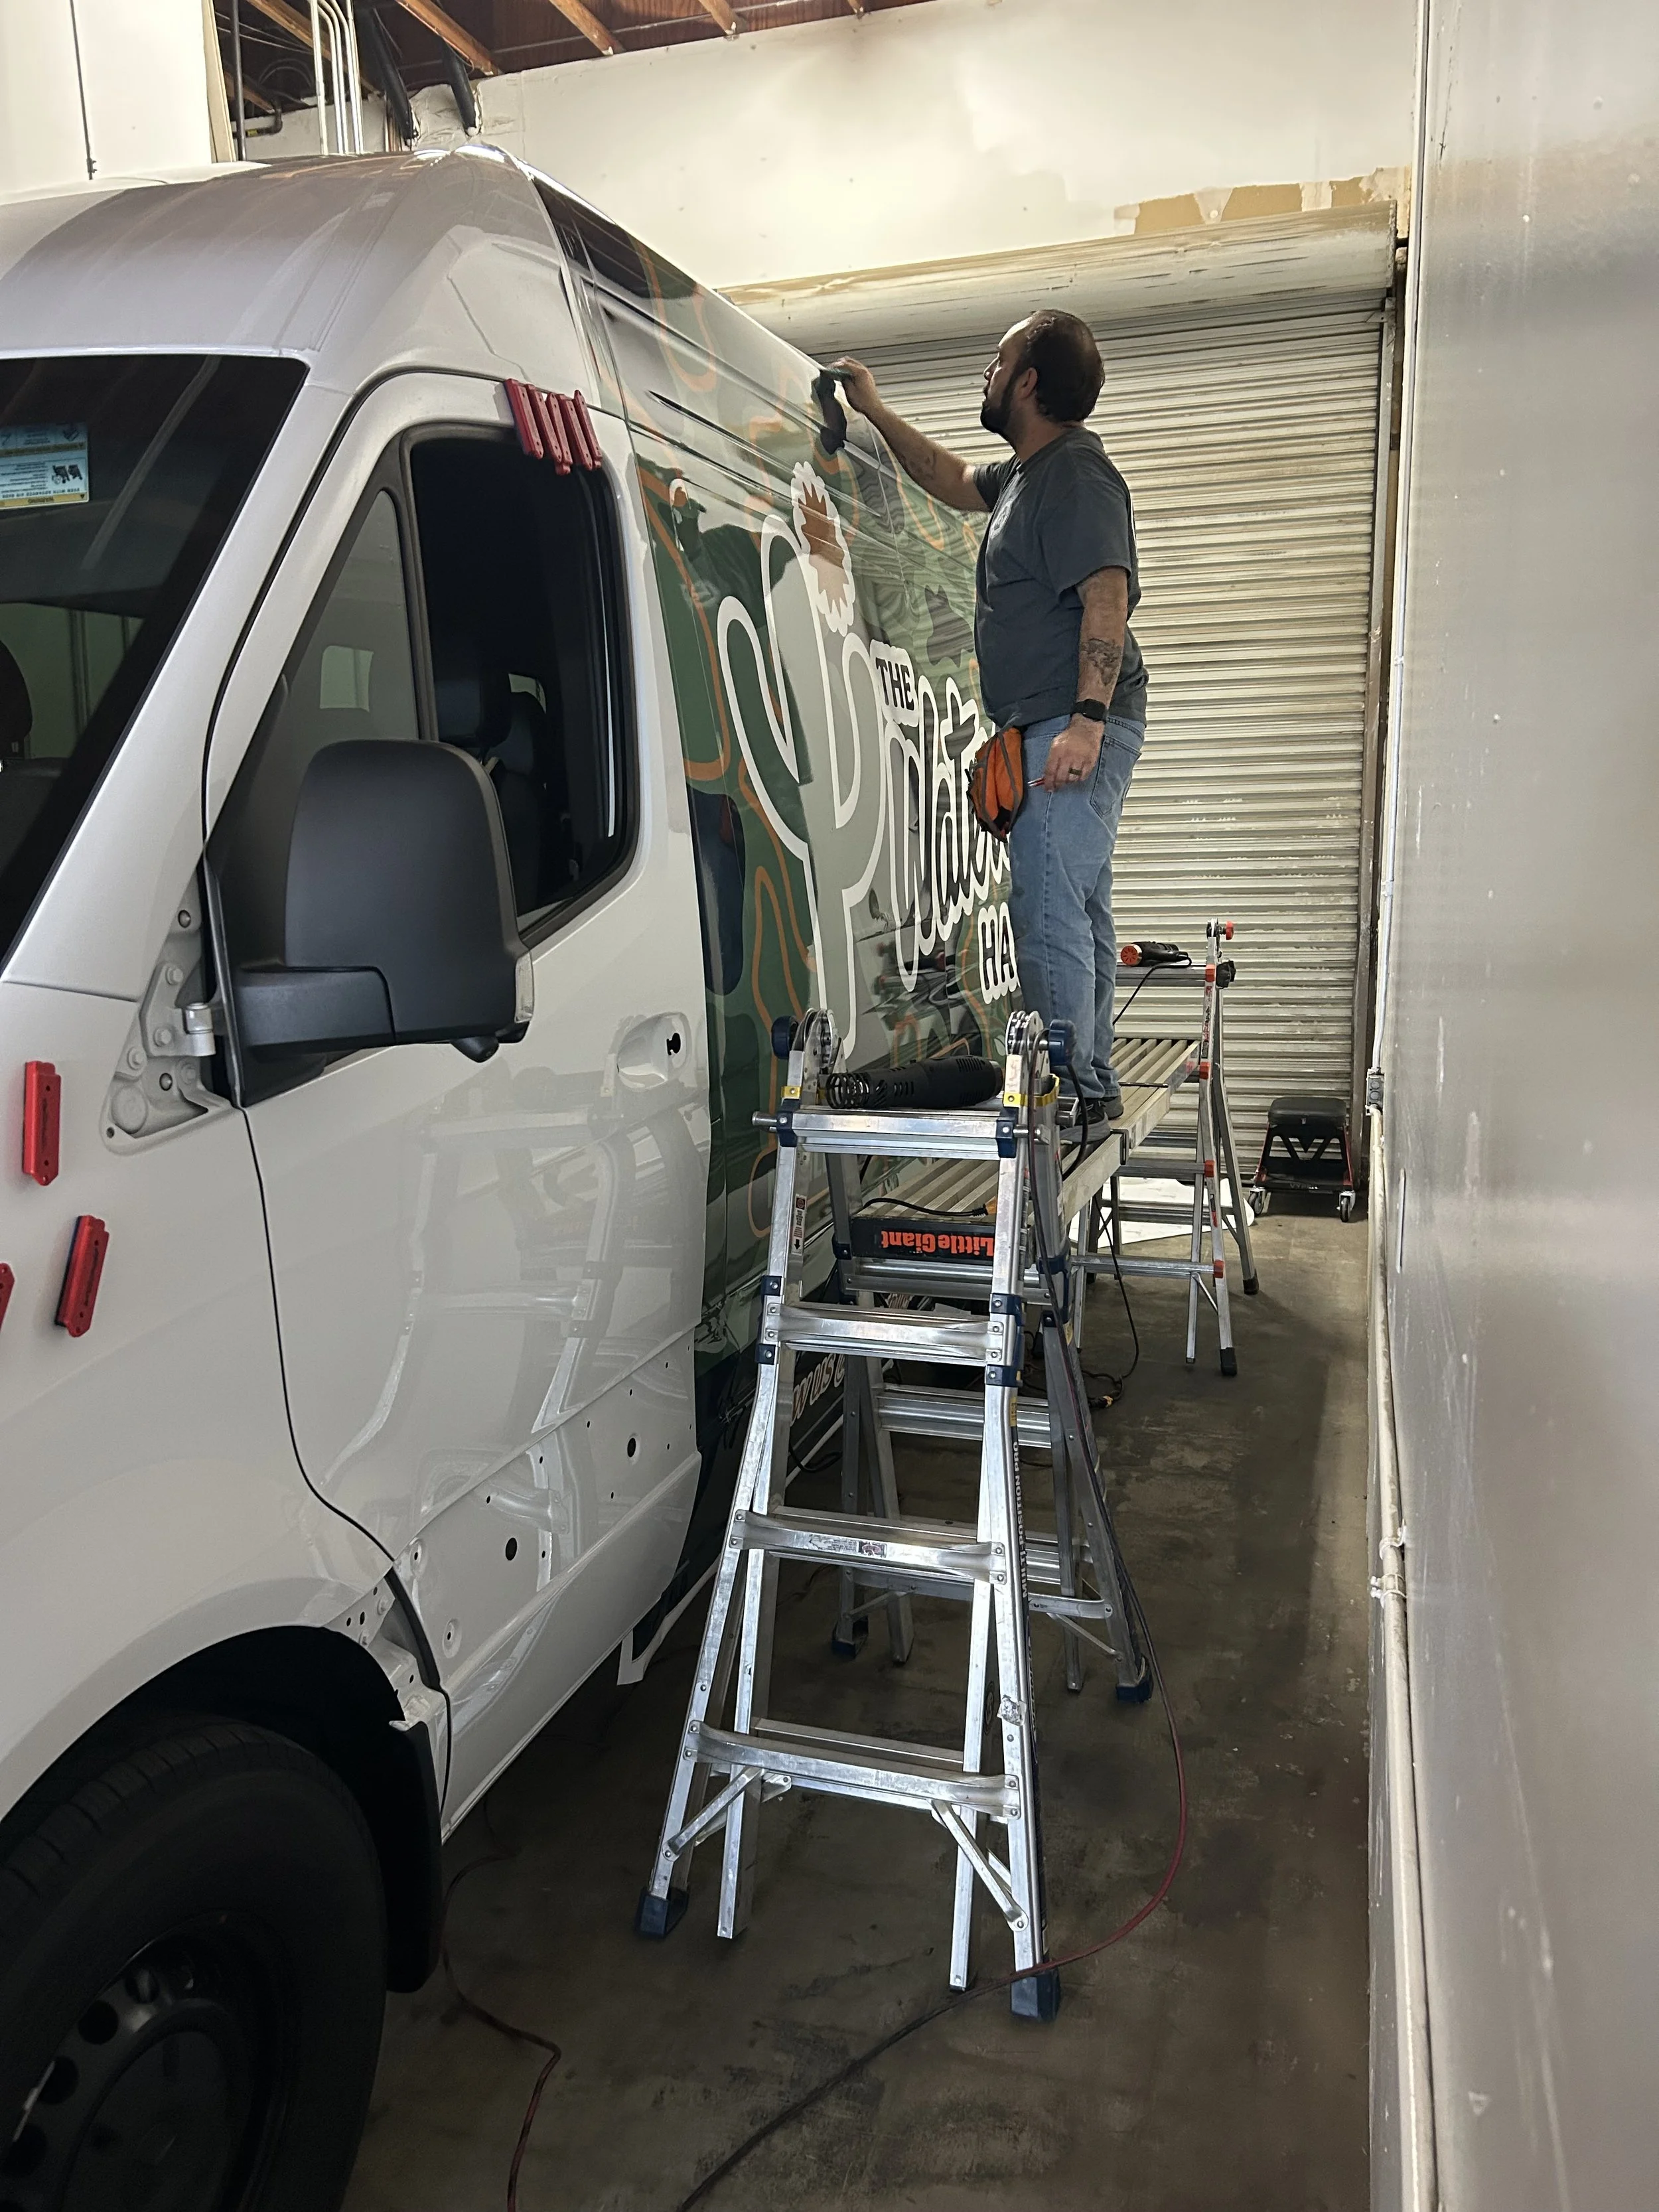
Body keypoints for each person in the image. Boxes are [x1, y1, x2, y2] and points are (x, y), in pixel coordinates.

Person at [835, 312, 1145, 1130]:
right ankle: (1091, 1077)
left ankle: (1074, 1089)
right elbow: (945, 476)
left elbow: (1105, 597)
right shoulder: (1024, 476)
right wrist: (871, 408)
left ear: (1030, 382)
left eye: (996, 361)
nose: (987, 373)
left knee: (1045, 910)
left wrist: (1084, 720)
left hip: (1068, 723)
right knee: (1074, 906)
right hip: (1046, 723)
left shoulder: (1077, 475)